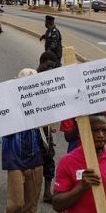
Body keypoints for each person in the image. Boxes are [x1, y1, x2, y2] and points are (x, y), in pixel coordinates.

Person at [0, 68, 45, 213]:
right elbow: (2, 128)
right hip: (14, 156)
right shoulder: (7, 105)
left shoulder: (42, 104)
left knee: (32, 199)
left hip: (35, 155)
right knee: (17, 201)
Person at [37, 52, 60, 202]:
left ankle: (47, 192)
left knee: (49, 158)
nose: (50, 69)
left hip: (47, 128)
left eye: (53, 67)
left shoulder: (52, 81)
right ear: (41, 63)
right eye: (48, 66)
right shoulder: (29, 77)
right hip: (33, 128)